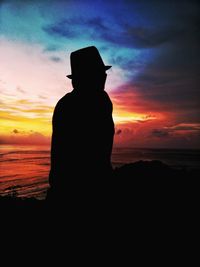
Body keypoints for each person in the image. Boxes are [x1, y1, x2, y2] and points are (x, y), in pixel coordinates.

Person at [47, 46, 114, 202]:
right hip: (75, 192)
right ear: (86, 76)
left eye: (103, 72)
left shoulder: (101, 100)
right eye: (99, 72)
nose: (104, 75)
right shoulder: (71, 105)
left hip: (93, 187)